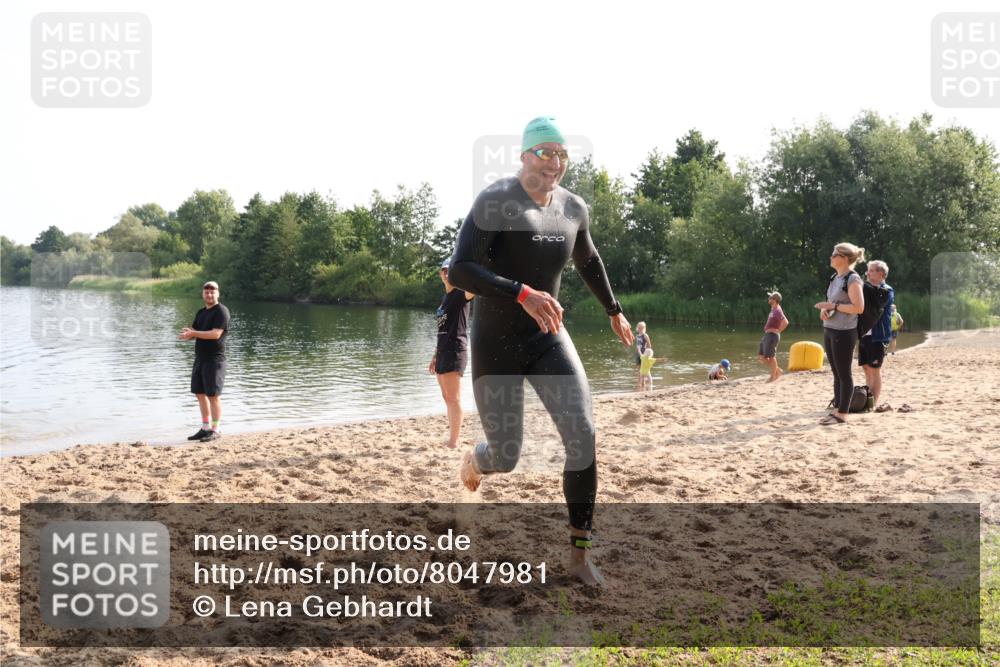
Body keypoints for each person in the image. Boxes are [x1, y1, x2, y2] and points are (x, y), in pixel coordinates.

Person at [450, 116, 634, 586]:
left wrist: (614, 310)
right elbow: (461, 270)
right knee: (507, 456)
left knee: (583, 434)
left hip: (547, 335)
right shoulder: (495, 201)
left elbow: (588, 258)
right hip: (495, 341)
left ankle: (579, 556)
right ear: (524, 156)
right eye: (545, 152)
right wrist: (521, 293)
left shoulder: (573, 208)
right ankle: (478, 457)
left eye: (562, 154)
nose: (555, 162)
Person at [814, 243, 865, 426]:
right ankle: (836, 409)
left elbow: (858, 308)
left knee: (844, 374)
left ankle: (842, 414)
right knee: (836, 373)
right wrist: (825, 311)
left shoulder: (852, 279)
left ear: (844, 258)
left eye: (834, 254)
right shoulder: (835, 277)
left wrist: (833, 307)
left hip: (844, 332)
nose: (831, 257)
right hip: (830, 328)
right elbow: (833, 302)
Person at [429, 258, 475, 448]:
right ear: (440, 274)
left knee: (453, 398)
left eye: (450, 270)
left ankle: (453, 441)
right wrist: (434, 356)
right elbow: (443, 330)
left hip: (455, 351)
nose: (447, 274)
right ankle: (452, 437)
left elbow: (474, 289)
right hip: (443, 352)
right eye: (444, 270)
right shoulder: (446, 298)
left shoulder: (460, 294)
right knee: (446, 397)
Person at [179, 281, 230, 442]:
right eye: (206, 291)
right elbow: (195, 333)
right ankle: (205, 427)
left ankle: (216, 429)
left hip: (215, 360)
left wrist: (194, 333)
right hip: (200, 359)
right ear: (203, 294)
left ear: (218, 293)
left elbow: (215, 334)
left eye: (212, 291)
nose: (209, 294)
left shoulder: (222, 311)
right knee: (200, 394)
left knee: (213, 395)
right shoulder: (201, 312)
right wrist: (188, 335)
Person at [859, 260, 894, 410]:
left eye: (871, 270)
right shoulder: (865, 289)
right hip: (865, 334)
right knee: (866, 367)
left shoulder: (886, 290)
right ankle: (867, 399)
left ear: (881, 273)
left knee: (875, 369)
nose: (868, 273)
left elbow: (878, 303)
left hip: (879, 335)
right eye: (868, 270)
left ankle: (873, 404)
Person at [758, 291, 788, 382]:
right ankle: (777, 370)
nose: (768, 299)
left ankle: (773, 376)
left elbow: (785, 322)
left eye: (770, 297)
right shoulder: (773, 309)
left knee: (771, 357)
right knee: (761, 356)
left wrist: (778, 331)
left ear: (774, 300)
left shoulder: (778, 310)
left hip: (772, 336)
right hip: (767, 335)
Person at [634, 322, 652, 391]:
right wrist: (638, 353)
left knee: (644, 369)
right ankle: (640, 384)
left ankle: (645, 383)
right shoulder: (637, 336)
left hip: (644, 354)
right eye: (639, 328)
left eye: (642, 328)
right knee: (639, 370)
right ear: (637, 328)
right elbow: (638, 345)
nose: (640, 329)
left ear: (644, 328)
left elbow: (649, 345)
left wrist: (647, 354)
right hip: (638, 354)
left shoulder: (645, 335)